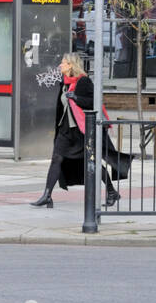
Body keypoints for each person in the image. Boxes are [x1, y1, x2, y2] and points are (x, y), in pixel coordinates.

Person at [32, 53, 130, 208]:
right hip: (65, 131)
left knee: (92, 163)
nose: (60, 65)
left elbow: (94, 101)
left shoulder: (83, 81)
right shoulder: (63, 83)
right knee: (56, 159)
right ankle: (47, 195)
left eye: (63, 63)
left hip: (81, 132)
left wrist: (76, 98)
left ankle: (112, 192)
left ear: (71, 65)